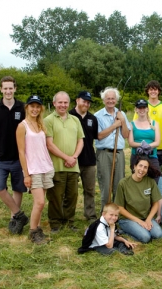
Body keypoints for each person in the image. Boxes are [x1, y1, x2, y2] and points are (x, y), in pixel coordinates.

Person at [0, 76, 29, 234]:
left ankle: (14, 220)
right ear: (1, 89)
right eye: (5, 88)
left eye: (11, 88)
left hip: (18, 157)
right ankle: (19, 214)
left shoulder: (23, 108)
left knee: (18, 188)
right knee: (0, 188)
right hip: (0, 157)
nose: (8, 91)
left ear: (15, 89)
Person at [44, 91, 84, 233]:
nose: (63, 105)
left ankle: (69, 221)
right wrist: (66, 158)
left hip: (73, 166)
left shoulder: (75, 120)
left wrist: (74, 157)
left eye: (65, 102)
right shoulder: (48, 120)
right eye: (60, 102)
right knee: (55, 196)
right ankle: (55, 223)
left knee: (72, 196)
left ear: (69, 104)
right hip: (56, 166)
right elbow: (49, 144)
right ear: (54, 103)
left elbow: (81, 140)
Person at [16, 95, 53, 244]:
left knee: (40, 202)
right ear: (27, 107)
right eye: (32, 106)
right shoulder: (22, 126)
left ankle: (37, 228)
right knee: (40, 202)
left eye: (38, 107)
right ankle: (33, 233)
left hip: (45, 166)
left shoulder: (41, 125)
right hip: (33, 169)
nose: (35, 109)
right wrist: (26, 174)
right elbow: (21, 151)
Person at [95, 87, 131, 211]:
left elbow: (126, 135)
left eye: (113, 98)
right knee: (106, 185)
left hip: (119, 153)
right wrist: (114, 125)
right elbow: (99, 136)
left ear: (116, 100)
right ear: (104, 100)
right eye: (108, 99)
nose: (110, 101)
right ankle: (104, 214)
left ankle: (116, 213)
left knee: (118, 185)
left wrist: (122, 121)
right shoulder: (98, 116)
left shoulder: (121, 114)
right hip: (104, 153)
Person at [114, 156, 162, 243]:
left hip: (146, 217)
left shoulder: (150, 182)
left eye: (145, 167)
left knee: (159, 235)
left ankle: (141, 229)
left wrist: (148, 219)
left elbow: (156, 203)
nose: (142, 169)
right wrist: (139, 222)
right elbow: (119, 208)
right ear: (134, 166)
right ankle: (124, 232)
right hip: (128, 219)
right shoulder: (123, 183)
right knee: (146, 238)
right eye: (140, 166)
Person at [69, 91, 98, 223]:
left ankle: (90, 215)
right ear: (77, 100)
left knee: (90, 190)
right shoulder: (69, 115)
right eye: (83, 101)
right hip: (72, 160)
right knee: (71, 191)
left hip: (89, 159)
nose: (86, 104)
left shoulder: (92, 119)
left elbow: (96, 137)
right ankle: (68, 216)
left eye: (88, 102)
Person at [133, 80, 162, 171]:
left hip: (161, 147)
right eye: (151, 89)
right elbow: (135, 125)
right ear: (147, 91)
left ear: (159, 91)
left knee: (160, 173)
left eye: (155, 89)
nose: (153, 91)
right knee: (143, 172)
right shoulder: (142, 106)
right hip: (145, 146)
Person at [128, 99, 160, 176]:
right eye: (139, 108)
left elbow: (157, 142)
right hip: (136, 156)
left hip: (152, 156)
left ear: (147, 109)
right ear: (136, 109)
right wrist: (142, 145)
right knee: (137, 179)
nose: (142, 110)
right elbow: (131, 142)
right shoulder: (131, 124)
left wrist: (148, 146)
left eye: (144, 107)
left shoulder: (155, 124)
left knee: (155, 179)